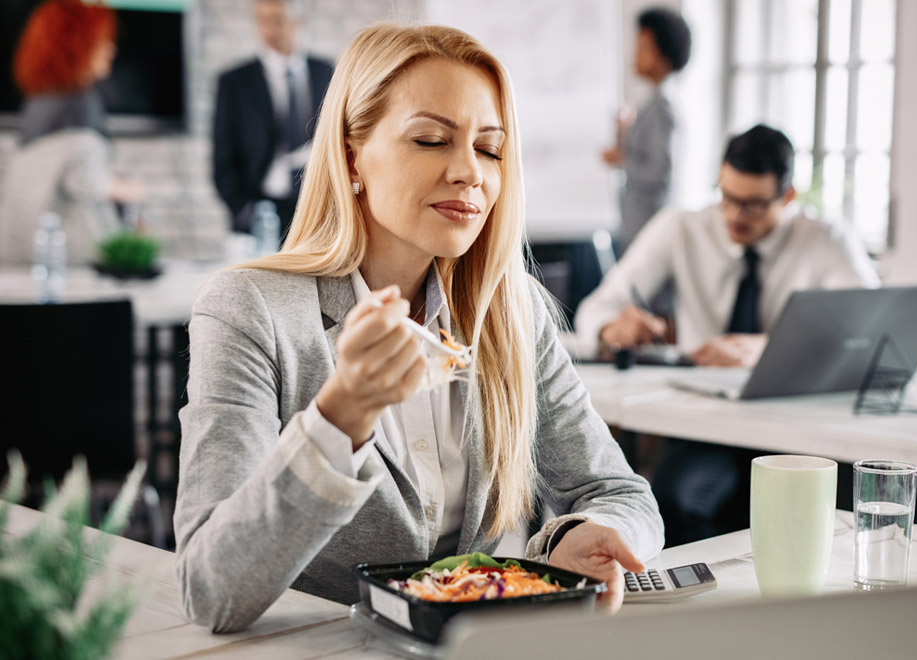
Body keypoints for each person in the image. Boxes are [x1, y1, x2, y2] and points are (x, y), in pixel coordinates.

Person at [175, 22, 664, 633]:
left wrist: (579, 536)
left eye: (489, 148)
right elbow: (210, 590)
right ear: (352, 154)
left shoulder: (513, 313)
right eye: (431, 139)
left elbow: (622, 494)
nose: (470, 173)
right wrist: (340, 417)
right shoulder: (248, 309)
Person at [577, 124, 880, 546]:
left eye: (754, 205)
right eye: (727, 197)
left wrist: (771, 348)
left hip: (801, 430)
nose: (735, 215)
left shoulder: (826, 239)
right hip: (708, 426)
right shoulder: (681, 227)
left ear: (788, 197)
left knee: (849, 514)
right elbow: (595, 308)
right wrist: (614, 328)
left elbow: (871, 331)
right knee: (676, 499)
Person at [0, 0, 142, 266]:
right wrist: (126, 189)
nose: (111, 49)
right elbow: (85, 180)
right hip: (68, 257)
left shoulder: (37, 102)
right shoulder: (80, 102)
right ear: (80, 43)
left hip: (23, 252)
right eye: (103, 40)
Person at [212, 0, 334, 240]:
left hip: (317, 210)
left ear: (298, 21)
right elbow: (223, 156)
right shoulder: (235, 82)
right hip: (261, 212)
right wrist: (244, 210)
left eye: (277, 20)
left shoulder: (327, 72)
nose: (269, 30)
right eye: (262, 21)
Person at [602, 6, 691, 253]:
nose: (634, 55)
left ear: (663, 56)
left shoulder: (664, 105)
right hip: (640, 226)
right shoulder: (654, 101)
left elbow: (660, 171)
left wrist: (621, 159)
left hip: (648, 229)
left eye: (643, 48)